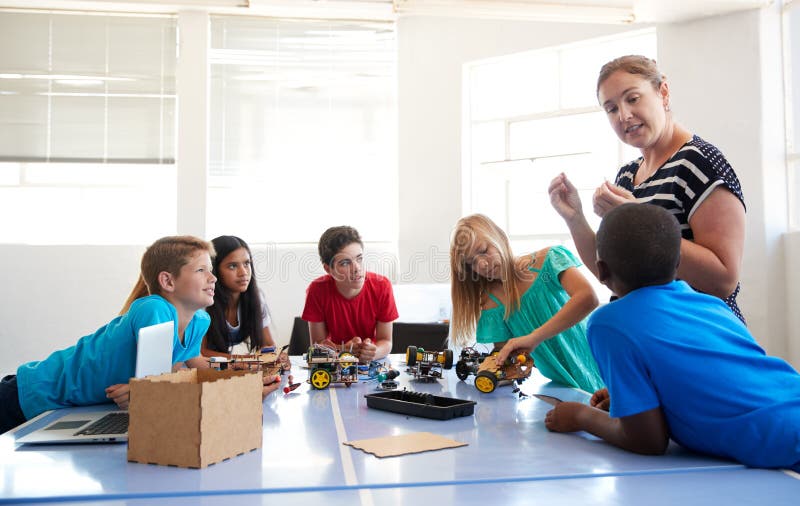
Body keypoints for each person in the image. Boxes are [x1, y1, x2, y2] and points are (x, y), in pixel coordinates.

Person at [545, 203, 800, 471]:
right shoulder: (713, 305)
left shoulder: (608, 324)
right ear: (678, 262)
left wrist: (581, 416)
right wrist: (634, 394)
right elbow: (724, 374)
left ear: (602, 270)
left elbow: (647, 441)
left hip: (784, 438)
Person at [548, 55, 746, 322]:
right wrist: (575, 218)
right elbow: (613, 275)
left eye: (633, 98)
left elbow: (724, 280)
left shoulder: (698, 162)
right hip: (647, 332)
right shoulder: (627, 176)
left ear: (663, 92)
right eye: (611, 109)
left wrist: (640, 218)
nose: (624, 116)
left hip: (697, 332)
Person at [450, 214, 604, 393]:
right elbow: (507, 362)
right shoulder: (492, 304)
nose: (482, 264)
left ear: (499, 236)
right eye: (472, 263)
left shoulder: (548, 261)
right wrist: (492, 373)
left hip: (601, 365)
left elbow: (588, 297)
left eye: (484, 250)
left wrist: (534, 337)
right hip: (565, 389)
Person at [302, 226, 398, 363]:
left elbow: (386, 341)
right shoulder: (317, 290)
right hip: (335, 363)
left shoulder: (382, 286)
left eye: (359, 259)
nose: (357, 268)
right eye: (345, 263)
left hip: (371, 362)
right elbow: (317, 346)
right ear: (328, 269)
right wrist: (343, 350)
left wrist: (373, 353)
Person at [201, 235, 276, 358]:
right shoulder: (202, 301)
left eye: (246, 263)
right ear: (213, 269)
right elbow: (201, 353)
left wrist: (275, 356)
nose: (243, 272)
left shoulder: (256, 297)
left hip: (224, 365)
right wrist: (244, 360)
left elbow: (268, 344)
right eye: (232, 266)